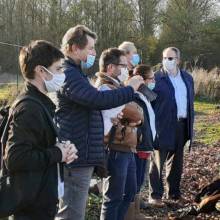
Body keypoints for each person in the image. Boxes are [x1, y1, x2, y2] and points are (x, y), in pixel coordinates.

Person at [55, 25, 144, 220]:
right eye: (90, 48)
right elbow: (97, 100)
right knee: (71, 213)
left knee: (75, 212)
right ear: (73, 47)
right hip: (76, 154)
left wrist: (104, 117)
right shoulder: (68, 74)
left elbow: (90, 105)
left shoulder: (76, 73)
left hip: (82, 153)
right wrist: (129, 89)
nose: (93, 53)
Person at [4, 40, 78, 220]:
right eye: (59, 69)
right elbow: (15, 158)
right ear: (41, 71)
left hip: (41, 199)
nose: (63, 74)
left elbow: (40, 145)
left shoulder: (41, 103)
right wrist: (56, 154)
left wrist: (63, 151)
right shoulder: (30, 108)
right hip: (31, 206)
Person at [95, 48, 143, 220]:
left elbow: (137, 113)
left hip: (126, 147)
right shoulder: (106, 88)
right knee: (113, 197)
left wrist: (132, 116)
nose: (127, 70)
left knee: (129, 192)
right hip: (115, 148)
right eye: (123, 65)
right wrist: (132, 116)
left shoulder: (119, 87)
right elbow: (135, 113)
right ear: (110, 68)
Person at [148, 47, 194, 207]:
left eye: (171, 58)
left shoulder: (187, 78)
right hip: (162, 124)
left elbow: (190, 102)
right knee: (157, 161)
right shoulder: (156, 78)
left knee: (176, 162)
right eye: (165, 57)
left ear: (178, 60)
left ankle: (174, 194)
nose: (167, 61)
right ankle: (155, 195)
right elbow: (149, 102)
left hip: (182, 124)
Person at [131, 64, 156, 218]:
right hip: (139, 144)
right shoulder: (135, 96)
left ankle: (136, 212)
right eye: (151, 78)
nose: (154, 81)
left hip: (145, 143)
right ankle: (132, 214)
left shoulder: (145, 96)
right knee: (136, 179)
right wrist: (141, 139)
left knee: (140, 179)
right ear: (142, 79)